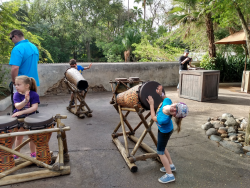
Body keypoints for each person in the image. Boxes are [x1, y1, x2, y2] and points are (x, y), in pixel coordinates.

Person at [146, 85, 189, 184]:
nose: (174, 109)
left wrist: (151, 104)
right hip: (167, 130)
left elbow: (153, 117)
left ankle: (170, 175)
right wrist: (160, 93)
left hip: (164, 132)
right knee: (163, 147)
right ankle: (171, 165)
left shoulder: (163, 119)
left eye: (175, 112)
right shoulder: (168, 101)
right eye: (176, 107)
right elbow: (164, 98)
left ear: (175, 116)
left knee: (160, 152)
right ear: (175, 103)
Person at [9, 29, 40, 111]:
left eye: (10, 38)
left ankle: (19, 121)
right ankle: (33, 122)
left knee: (18, 106)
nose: (11, 41)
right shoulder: (34, 47)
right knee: (32, 104)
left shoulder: (17, 48)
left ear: (15, 37)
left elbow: (15, 68)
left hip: (21, 83)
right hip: (32, 82)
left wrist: (14, 82)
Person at [12, 76, 40, 159]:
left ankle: (33, 153)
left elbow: (34, 108)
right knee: (19, 136)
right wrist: (25, 101)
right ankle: (17, 153)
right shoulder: (16, 95)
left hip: (31, 119)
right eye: (15, 85)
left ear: (27, 85)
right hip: (20, 120)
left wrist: (22, 112)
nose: (16, 86)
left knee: (31, 137)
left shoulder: (34, 94)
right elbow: (17, 106)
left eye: (18, 84)